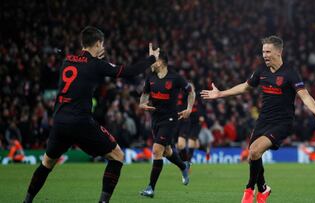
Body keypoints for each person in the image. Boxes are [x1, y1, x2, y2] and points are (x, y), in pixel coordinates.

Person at [23, 26, 159, 203]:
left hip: (59, 121)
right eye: (101, 44)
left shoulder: (67, 61)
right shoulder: (96, 65)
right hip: (80, 122)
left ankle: (26, 201)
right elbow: (129, 72)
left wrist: (98, 61)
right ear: (98, 43)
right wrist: (152, 58)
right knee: (117, 156)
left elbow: (83, 71)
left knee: (47, 163)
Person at [201, 35, 315, 203]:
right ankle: (263, 189)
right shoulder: (261, 70)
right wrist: (221, 94)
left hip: (282, 122)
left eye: (268, 51)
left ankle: (249, 190)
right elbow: (245, 86)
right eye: (263, 51)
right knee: (252, 156)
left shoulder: (290, 73)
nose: (264, 55)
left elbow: (305, 96)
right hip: (263, 120)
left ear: (279, 52)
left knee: (255, 151)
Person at [139, 50, 195, 198]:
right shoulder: (150, 77)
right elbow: (145, 94)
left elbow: (191, 91)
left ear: (161, 62)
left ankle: (150, 188)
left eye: (154, 60)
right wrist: (142, 104)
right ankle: (184, 166)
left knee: (157, 150)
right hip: (155, 119)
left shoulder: (175, 77)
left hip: (170, 119)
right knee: (166, 151)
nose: (151, 62)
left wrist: (189, 108)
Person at [176, 91, 203, 163]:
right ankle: (205, 149)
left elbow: (201, 109)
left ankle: (187, 162)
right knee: (196, 145)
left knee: (188, 142)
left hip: (194, 123)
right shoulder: (178, 96)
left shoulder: (195, 99)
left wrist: (201, 116)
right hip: (179, 122)